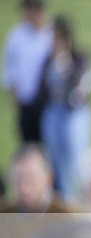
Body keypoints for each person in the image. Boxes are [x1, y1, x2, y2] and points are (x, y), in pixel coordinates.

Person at [39, 15, 91, 202]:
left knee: (75, 160)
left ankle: (79, 198)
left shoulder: (79, 58)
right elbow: (43, 87)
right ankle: (65, 199)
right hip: (53, 113)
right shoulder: (48, 61)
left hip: (73, 114)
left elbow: (81, 87)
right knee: (56, 160)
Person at [0, 144, 76, 238]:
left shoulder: (68, 217)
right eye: (18, 178)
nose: (24, 187)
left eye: (31, 178)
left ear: (48, 178)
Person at [2, 0, 53, 143]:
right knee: (28, 141)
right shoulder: (17, 35)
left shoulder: (51, 33)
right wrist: (12, 89)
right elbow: (9, 65)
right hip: (26, 98)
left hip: (48, 101)